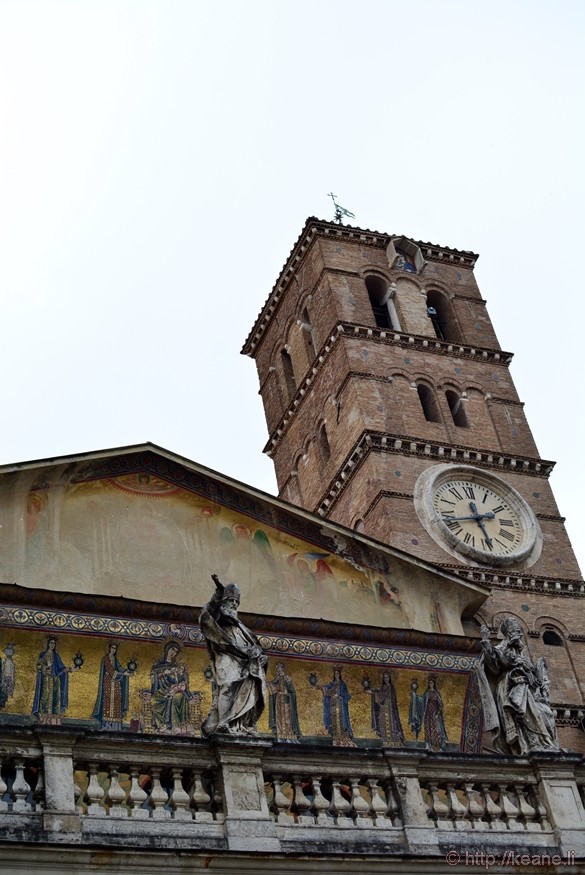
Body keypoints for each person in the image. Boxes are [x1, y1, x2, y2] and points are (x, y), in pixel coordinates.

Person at [199, 574, 267, 736]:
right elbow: (207, 615)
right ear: (223, 602)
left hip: (247, 665)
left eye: (236, 603)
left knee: (245, 691)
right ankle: (224, 722)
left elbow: (255, 647)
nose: (234, 605)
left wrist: (261, 658)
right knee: (228, 685)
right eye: (231, 601)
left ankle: (242, 725)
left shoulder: (242, 628)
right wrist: (218, 593)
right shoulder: (219, 621)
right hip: (228, 659)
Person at [479, 619, 558, 755]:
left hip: (529, 690)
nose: (520, 635)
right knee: (523, 716)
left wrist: (539, 679)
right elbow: (493, 664)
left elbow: (534, 674)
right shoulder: (501, 649)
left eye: (520, 632)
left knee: (545, 713)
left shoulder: (522, 654)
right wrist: (486, 640)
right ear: (509, 633)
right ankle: (530, 745)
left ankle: (545, 743)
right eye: (516, 632)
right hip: (510, 688)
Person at [150, 640, 196, 735]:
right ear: (167, 650)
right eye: (172, 650)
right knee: (154, 700)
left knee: (177, 697)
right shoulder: (158, 664)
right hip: (161, 690)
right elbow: (153, 677)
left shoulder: (177, 666)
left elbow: (183, 681)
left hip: (174, 690)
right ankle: (161, 725)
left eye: (175, 651)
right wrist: (163, 673)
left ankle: (175, 726)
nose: (173, 653)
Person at [32, 636, 78, 725]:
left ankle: (53, 717)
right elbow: (38, 666)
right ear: (48, 644)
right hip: (46, 678)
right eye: (51, 643)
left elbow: (62, 668)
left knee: (55, 697)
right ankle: (43, 716)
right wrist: (46, 666)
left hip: (55, 680)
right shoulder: (43, 655)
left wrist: (71, 669)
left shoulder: (56, 656)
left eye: (54, 643)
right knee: (45, 696)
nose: (52, 645)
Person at [92, 642, 131, 730]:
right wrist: (122, 673)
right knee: (107, 702)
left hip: (116, 683)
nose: (114, 650)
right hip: (108, 682)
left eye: (115, 648)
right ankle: (106, 725)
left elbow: (119, 667)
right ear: (109, 648)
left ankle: (115, 725)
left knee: (116, 702)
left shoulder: (115, 659)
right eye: (112, 648)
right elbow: (110, 669)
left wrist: (126, 671)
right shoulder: (106, 658)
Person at [318, 665, 356, 747]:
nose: (336, 675)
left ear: (340, 675)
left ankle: (343, 737)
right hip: (333, 705)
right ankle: (335, 737)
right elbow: (327, 690)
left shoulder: (343, 684)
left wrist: (340, 697)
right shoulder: (331, 684)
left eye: (337, 673)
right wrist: (321, 687)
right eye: (335, 674)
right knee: (333, 720)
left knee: (342, 721)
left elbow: (347, 695)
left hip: (341, 705)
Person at [367, 671, 404, 746]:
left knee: (390, 723)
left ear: (389, 678)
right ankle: (385, 740)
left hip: (389, 708)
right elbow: (380, 693)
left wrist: (374, 693)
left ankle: (393, 740)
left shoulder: (390, 686)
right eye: (384, 677)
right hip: (383, 708)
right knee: (382, 722)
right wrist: (374, 691)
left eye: (387, 677)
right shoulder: (382, 687)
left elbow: (383, 695)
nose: (386, 679)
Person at [268, 662, 301, 742]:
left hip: (287, 701)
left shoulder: (287, 678)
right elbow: (272, 686)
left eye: (279, 668)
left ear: (282, 668)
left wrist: (287, 692)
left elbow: (292, 692)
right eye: (276, 668)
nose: (277, 670)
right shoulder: (277, 679)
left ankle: (289, 733)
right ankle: (279, 732)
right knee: (278, 716)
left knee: (287, 718)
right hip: (278, 700)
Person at [422, 676, 448, 751]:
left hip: (434, 713)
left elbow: (440, 704)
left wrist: (437, 713)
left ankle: (437, 746)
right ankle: (428, 744)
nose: (431, 684)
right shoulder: (427, 693)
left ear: (434, 684)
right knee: (428, 728)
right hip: (428, 713)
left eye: (432, 683)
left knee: (436, 729)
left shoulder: (436, 693)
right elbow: (423, 702)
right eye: (429, 683)